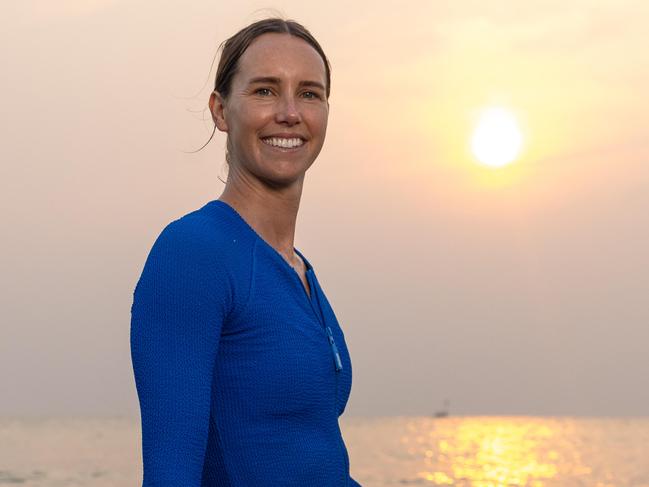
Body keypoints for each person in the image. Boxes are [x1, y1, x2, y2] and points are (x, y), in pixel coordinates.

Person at [130, 17, 361, 486]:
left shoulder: (300, 272)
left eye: (310, 93)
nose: (290, 112)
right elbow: (170, 471)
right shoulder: (193, 254)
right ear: (220, 110)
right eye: (265, 91)